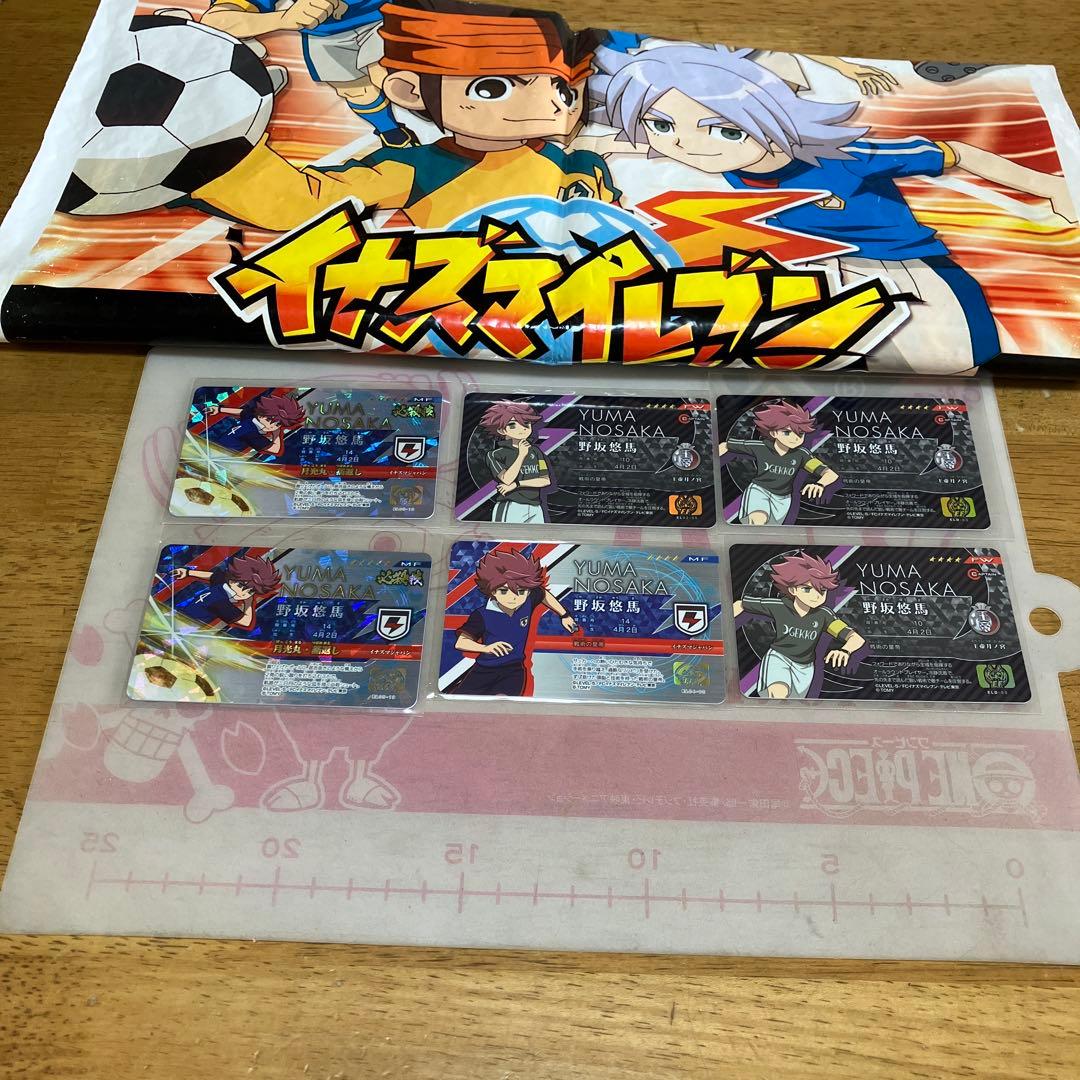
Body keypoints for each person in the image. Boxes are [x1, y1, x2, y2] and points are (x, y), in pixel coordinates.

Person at [591, 44, 1077, 371]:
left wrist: (1050, 186)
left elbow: (956, 153)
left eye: (726, 129)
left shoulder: (845, 157)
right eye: (659, 125)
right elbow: (667, 145)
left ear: (770, 118)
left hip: (910, 272)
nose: (686, 145)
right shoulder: (716, 154)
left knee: (955, 365)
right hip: (821, 277)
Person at [191, 0, 618, 231]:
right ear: (409, 92)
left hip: (575, 294)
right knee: (355, 88)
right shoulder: (418, 169)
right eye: (491, 88)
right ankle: (389, 127)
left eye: (563, 91)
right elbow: (307, 201)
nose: (552, 106)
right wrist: (207, 157)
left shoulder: (582, 163)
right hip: (464, 291)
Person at [200, 0, 417, 147]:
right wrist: (283, 19)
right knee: (357, 92)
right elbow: (216, 21)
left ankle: (435, 115)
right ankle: (391, 131)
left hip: (386, 15)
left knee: (384, 73)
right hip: (323, 35)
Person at [734, 551, 864, 699]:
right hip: (779, 658)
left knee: (792, 704)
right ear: (793, 589)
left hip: (805, 669)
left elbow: (855, 638)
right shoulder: (779, 607)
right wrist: (719, 623)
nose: (816, 595)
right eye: (807, 589)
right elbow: (741, 604)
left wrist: (845, 651)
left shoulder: (824, 616)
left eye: (822, 590)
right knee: (779, 694)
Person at [449, 549, 578, 696]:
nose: (513, 597)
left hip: (514, 670)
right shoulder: (482, 615)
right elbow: (461, 642)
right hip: (484, 670)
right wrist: (486, 648)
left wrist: (564, 615)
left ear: (528, 591)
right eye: (504, 591)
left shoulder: (527, 602)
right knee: (458, 702)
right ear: (492, 591)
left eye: (521, 591)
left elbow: (543, 594)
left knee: (505, 705)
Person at [719, 400, 838, 524]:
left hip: (783, 499)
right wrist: (711, 460)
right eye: (787, 432)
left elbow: (830, 474)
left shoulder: (802, 455)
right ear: (774, 432)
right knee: (758, 520)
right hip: (759, 491)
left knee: (770, 530)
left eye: (800, 433)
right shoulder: (761, 447)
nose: (795, 438)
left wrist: (820, 484)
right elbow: (726, 445)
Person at [479, 400, 552, 524]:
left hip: (535, 506)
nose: (522, 429)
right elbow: (507, 479)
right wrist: (521, 455)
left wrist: (517, 484)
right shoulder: (496, 454)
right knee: (504, 536)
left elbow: (545, 480)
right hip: (511, 505)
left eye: (526, 423)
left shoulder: (535, 451)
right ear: (502, 430)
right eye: (513, 425)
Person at [171, 554, 282, 631]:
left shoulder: (223, 584)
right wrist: (249, 602)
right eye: (241, 586)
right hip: (183, 628)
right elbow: (245, 622)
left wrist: (188, 572)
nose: (243, 593)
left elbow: (213, 576)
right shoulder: (221, 603)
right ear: (232, 580)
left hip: (178, 616)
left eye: (251, 591)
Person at [204, 392, 306, 456]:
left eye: (278, 424)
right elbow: (275, 449)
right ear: (261, 415)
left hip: (214, 448)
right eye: (269, 420)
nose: (272, 425)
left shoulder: (251, 418)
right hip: (219, 455)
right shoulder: (252, 434)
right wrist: (277, 433)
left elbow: (242, 412)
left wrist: (219, 409)